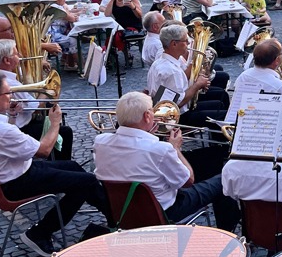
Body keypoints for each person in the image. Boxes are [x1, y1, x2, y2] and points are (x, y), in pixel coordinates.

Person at [0, 74, 111, 257]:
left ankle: (113, 214)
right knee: (87, 182)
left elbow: (2, 146)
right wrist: (55, 123)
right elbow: (43, 150)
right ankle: (40, 232)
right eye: (8, 94)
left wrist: (12, 116)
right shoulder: (1, 131)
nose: (11, 97)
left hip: (3, 177)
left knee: (74, 166)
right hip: (16, 182)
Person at [93, 92, 239, 232]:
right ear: (147, 115)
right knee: (224, 178)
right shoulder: (160, 149)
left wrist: (146, 134)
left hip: (123, 212)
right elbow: (188, 181)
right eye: (152, 110)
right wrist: (175, 148)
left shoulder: (100, 142)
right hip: (165, 211)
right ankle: (228, 233)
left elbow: (130, 157)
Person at [0, 40, 74, 159]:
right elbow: (35, 108)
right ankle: (62, 166)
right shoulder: (6, 82)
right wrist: (48, 89)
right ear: (7, 60)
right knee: (65, 132)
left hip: (8, 123)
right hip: (22, 128)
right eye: (16, 54)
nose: (20, 56)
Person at [147, 25, 227, 128]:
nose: (189, 43)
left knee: (220, 100)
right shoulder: (172, 71)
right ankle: (220, 142)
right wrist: (197, 85)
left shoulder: (160, 63)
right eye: (185, 41)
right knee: (222, 113)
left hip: (167, 112)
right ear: (174, 44)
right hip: (178, 117)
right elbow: (177, 104)